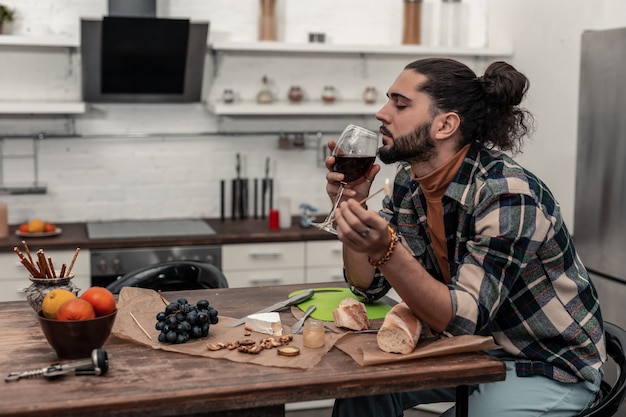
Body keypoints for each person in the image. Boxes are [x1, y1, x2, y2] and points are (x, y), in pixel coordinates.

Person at [323, 58, 606, 417]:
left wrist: (386, 249)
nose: (382, 113)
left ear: (445, 124)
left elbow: (464, 318)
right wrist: (354, 206)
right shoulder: (410, 184)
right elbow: (369, 285)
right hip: (471, 348)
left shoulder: (506, 195)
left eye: (400, 103)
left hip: (546, 365)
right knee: (361, 387)